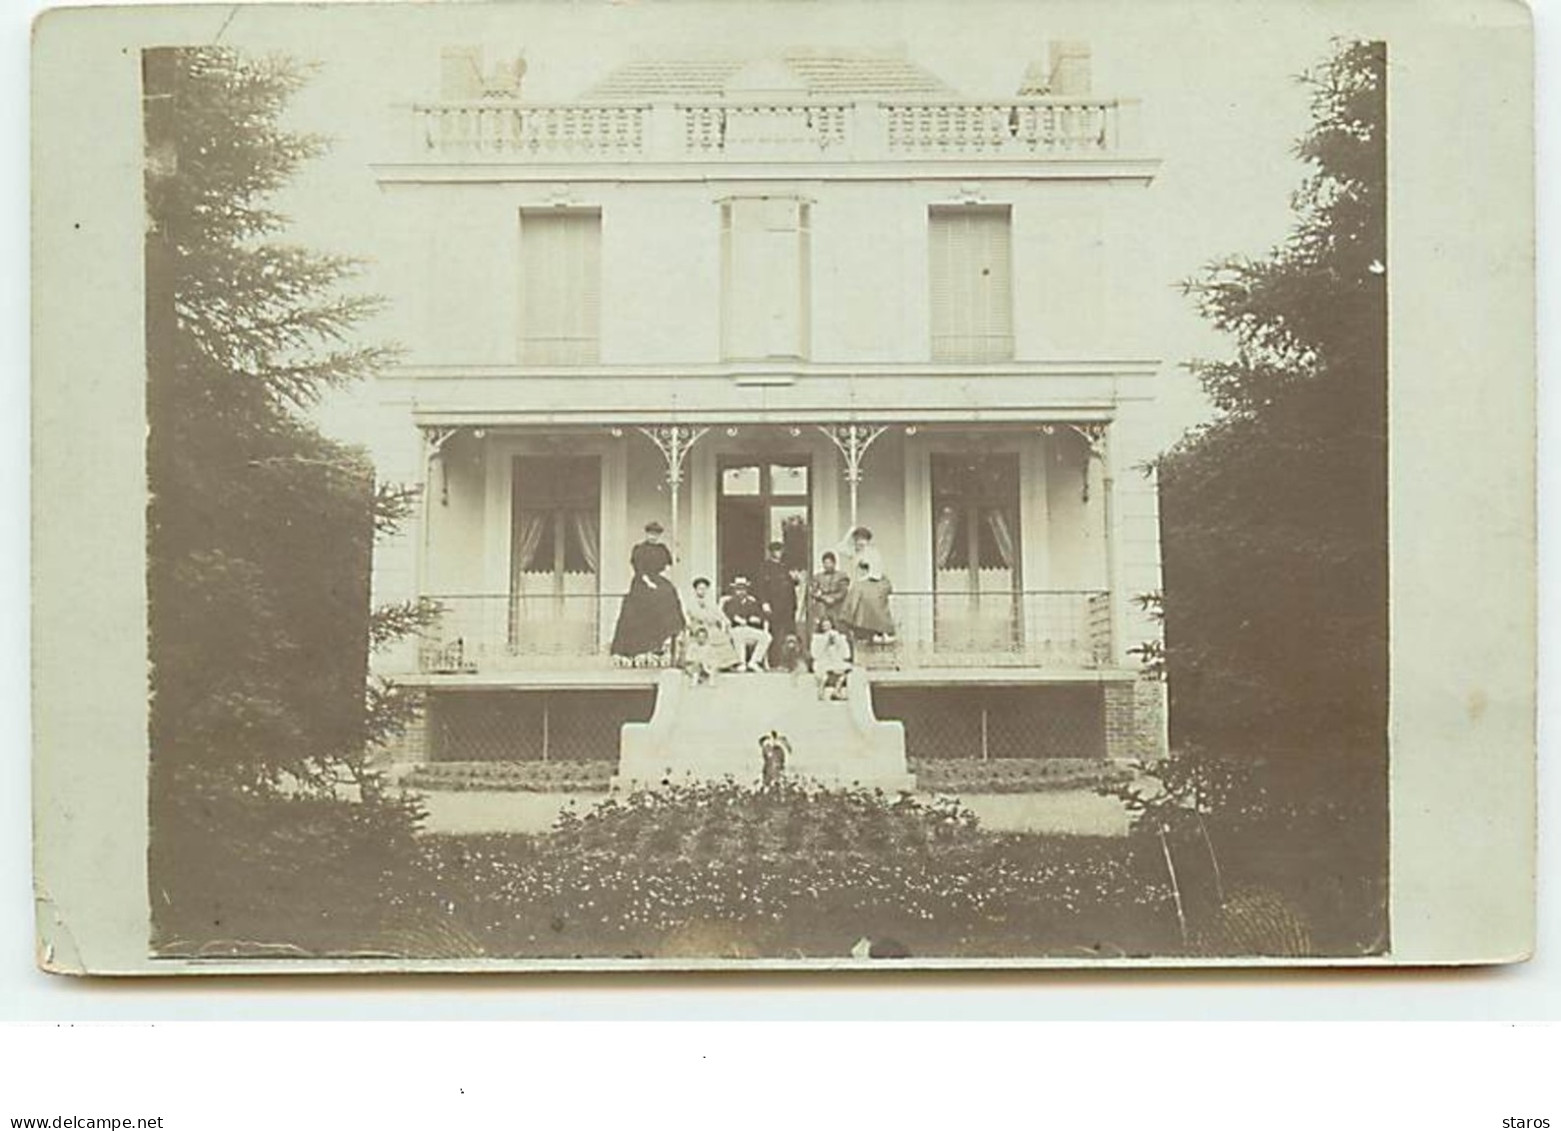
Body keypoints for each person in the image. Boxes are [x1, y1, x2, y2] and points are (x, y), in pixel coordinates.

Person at [609, 520, 685, 664]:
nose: (653, 537)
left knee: (669, 593)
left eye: (656, 534)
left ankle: (669, 634)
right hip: (642, 580)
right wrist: (648, 582)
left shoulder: (662, 549)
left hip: (657, 578)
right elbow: (639, 569)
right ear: (646, 533)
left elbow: (670, 564)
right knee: (646, 601)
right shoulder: (639, 549)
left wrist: (676, 555)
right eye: (651, 534)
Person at [837, 525, 895, 642]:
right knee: (855, 601)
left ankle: (880, 630)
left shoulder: (873, 553)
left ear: (868, 541)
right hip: (860, 584)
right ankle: (859, 629)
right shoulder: (854, 552)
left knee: (871, 603)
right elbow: (840, 547)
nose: (860, 543)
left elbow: (876, 571)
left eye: (862, 540)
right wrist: (850, 532)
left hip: (874, 582)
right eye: (857, 540)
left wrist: (865, 568)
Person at [755, 540, 799, 667]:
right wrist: (764, 602)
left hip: (788, 605)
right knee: (775, 633)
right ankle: (774, 662)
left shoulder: (785, 566)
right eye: (776, 551)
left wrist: (795, 579)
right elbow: (761, 586)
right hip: (774, 605)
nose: (779, 553)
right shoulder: (765, 566)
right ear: (771, 552)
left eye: (780, 550)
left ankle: (790, 662)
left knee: (789, 633)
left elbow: (791, 585)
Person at [683, 576, 740, 671]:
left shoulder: (709, 602)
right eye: (700, 589)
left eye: (704, 589)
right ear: (695, 590)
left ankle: (725, 664)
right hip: (698, 626)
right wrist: (709, 618)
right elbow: (695, 615)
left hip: (711, 626)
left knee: (722, 636)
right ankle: (708, 663)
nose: (702, 591)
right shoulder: (691, 602)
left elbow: (718, 613)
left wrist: (725, 620)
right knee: (710, 635)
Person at [721, 575, 771, 672]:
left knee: (766, 637)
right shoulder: (731, 602)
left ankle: (754, 661)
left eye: (743, 589)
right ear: (734, 590)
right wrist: (737, 619)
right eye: (738, 589)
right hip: (735, 629)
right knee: (739, 635)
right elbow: (730, 615)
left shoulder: (751, 602)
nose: (741, 592)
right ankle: (741, 663)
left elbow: (760, 616)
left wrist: (758, 619)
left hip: (749, 629)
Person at [807, 550, 850, 639]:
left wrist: (833, 598)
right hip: (822, 606)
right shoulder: (818, 577)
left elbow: (843, 592)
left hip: (837, 606)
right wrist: (823, 597)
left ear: (834, 563)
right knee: (819, 629)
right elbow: (813, 591)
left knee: (840, 630)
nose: (827, 565)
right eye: (825, 563)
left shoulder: (842, 576)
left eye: (829, 563)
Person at [810, 615, 853, 701]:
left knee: (844, 673)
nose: (827, 628)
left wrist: (837, 640)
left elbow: (845, 654)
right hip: (823, 661)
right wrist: (825, 642)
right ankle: (821, 691)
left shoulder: (838, 636)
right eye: (824, 626)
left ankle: (836, 691)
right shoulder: (818, 638)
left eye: (828, 626)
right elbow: (815, 653)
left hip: (835, 661)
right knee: (825, 673)